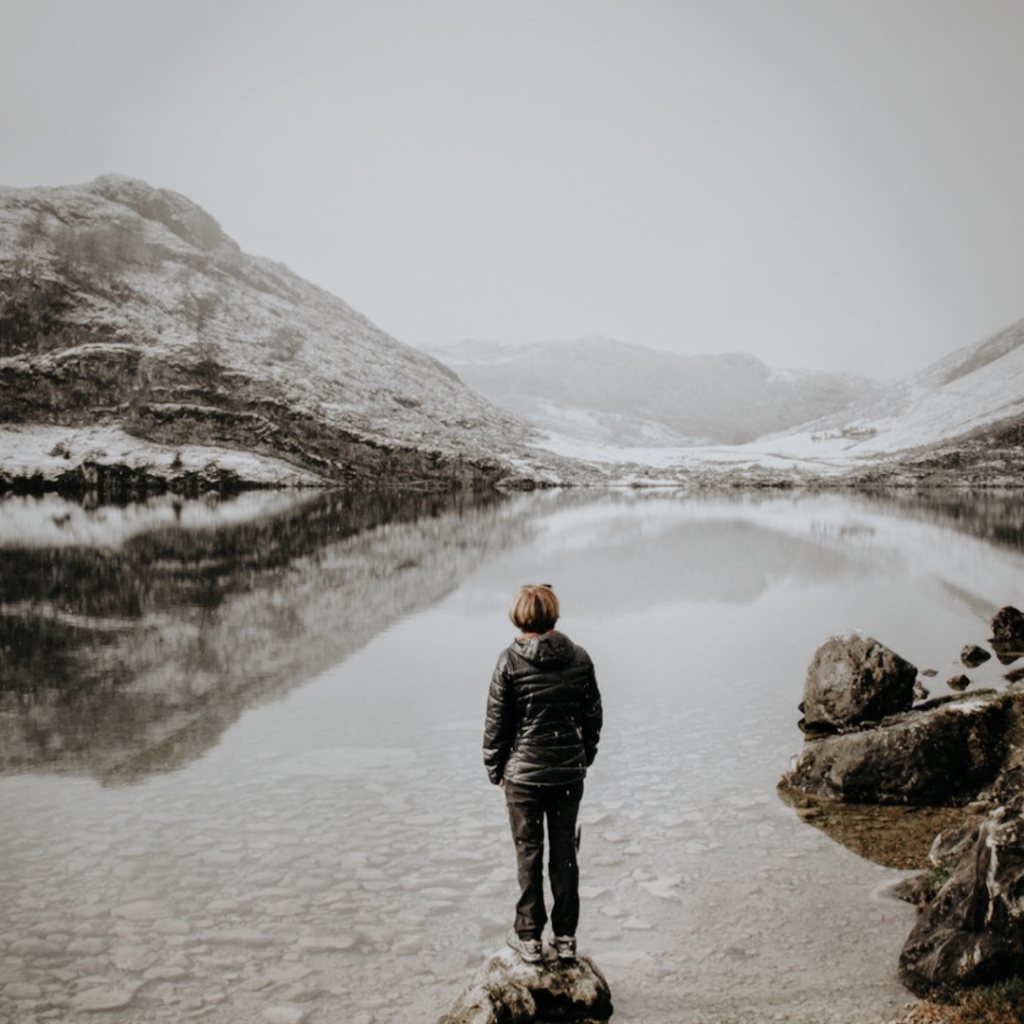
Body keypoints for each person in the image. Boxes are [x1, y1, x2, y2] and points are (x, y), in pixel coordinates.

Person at [482, 584, 603, 964]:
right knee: (565, 852)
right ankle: (566, 938)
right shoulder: (580, 657)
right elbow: (593, 717)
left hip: (523, 779)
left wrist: (495, 769)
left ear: (520, 618)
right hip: (568, 775)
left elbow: (497, 725)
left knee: (528, 853)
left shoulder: (509, 661)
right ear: (553, 616)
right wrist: (582, 756)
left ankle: (529, 938)